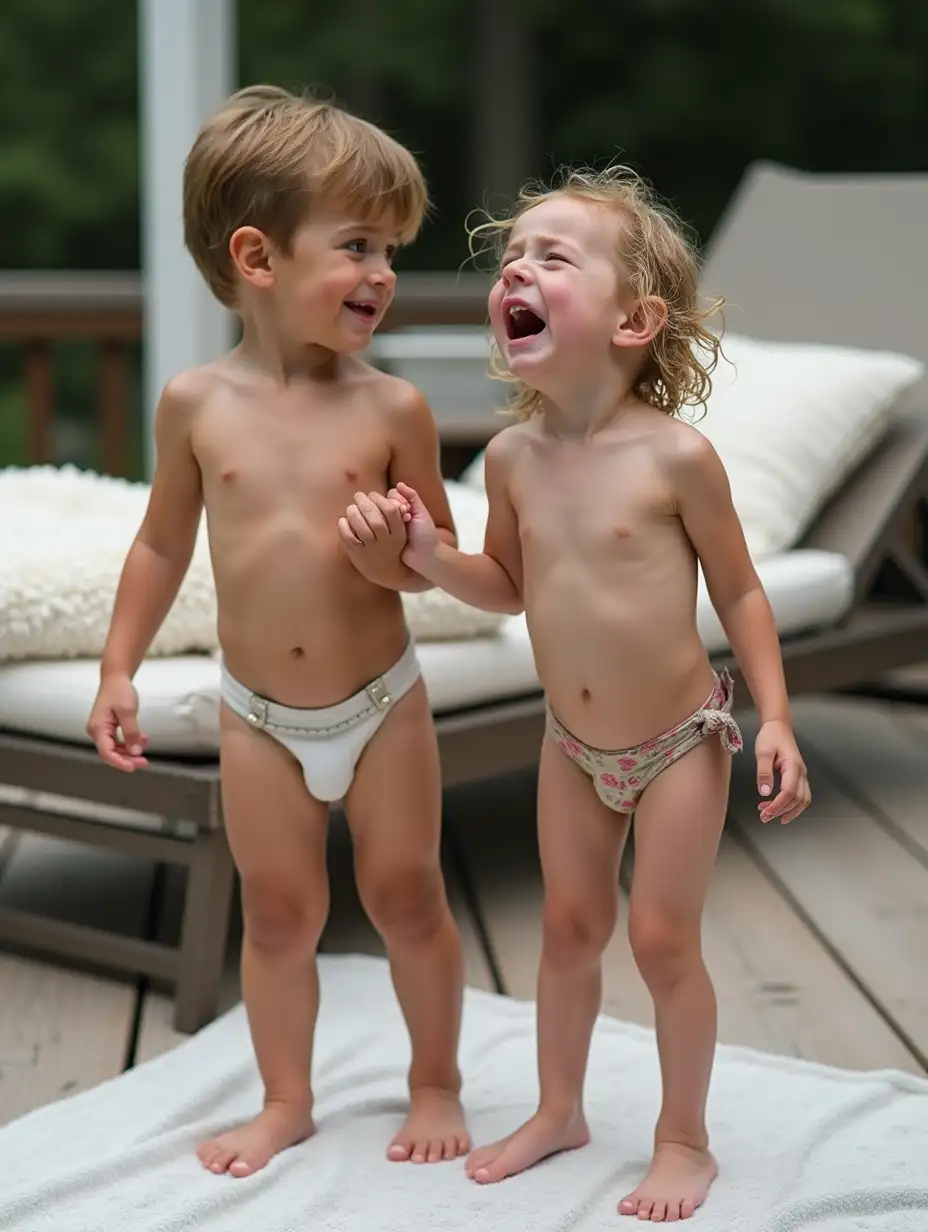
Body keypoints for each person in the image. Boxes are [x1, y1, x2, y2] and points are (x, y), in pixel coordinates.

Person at [363, 165, 812, 1222]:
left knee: (659, 938)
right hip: (572, 742)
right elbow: (507, 587)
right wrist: (427, 555)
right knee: (567, 929)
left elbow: (741, 588)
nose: (517, 267)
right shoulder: (511, 458)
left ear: (633, 319)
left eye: (553, 257)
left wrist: (778, 715)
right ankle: (559, 1107)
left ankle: (683, 1137)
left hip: (677, 739)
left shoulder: (675, 458)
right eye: (511, 257)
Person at [86, 85, 470, 1179]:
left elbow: (434, 553)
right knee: (279, 914)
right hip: (257, 713)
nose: (384, 273)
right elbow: (161, 544)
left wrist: (388, 554)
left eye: (392, 247)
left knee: (406, 892)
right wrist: (118, 663)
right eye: (358, 245)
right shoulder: (195, 404)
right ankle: (286, 1097)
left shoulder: (391, 409)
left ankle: (435, 1075)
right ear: (258, 256)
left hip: (380, 700)